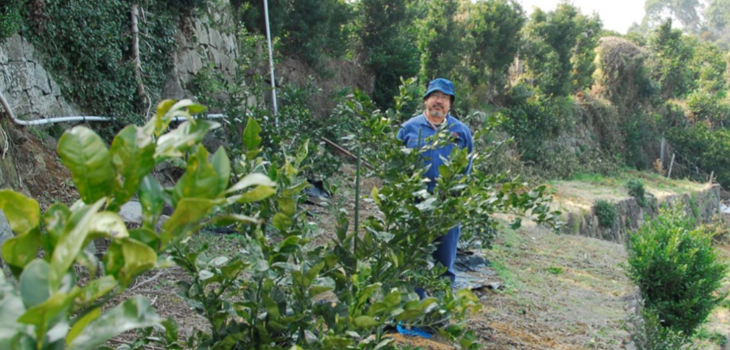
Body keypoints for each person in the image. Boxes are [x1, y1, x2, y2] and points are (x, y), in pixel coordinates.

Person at [396, 78, 474, 298]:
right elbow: (394, 168)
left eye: (445, 98)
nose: (439, 101)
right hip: (414, 210)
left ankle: (439, 313)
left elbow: (465, 170)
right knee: (413, 261)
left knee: (444, 266)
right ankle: (412, 312)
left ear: (450, 104)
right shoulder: (408, 129)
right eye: (435, 96)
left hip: (445, 211)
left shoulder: (461, 132)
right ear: (426, 100)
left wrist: (454, 201)